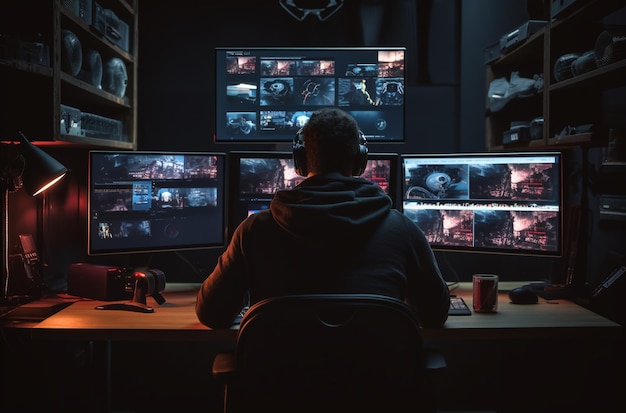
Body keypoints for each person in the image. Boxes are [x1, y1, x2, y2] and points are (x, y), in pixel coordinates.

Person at [196, 107, 450, 329]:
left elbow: (212, 315)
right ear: (360, 161)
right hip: (375, 382)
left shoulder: (254, 230)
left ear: (301, 161)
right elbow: (434, 315)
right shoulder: (402, 230)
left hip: (280, 382)